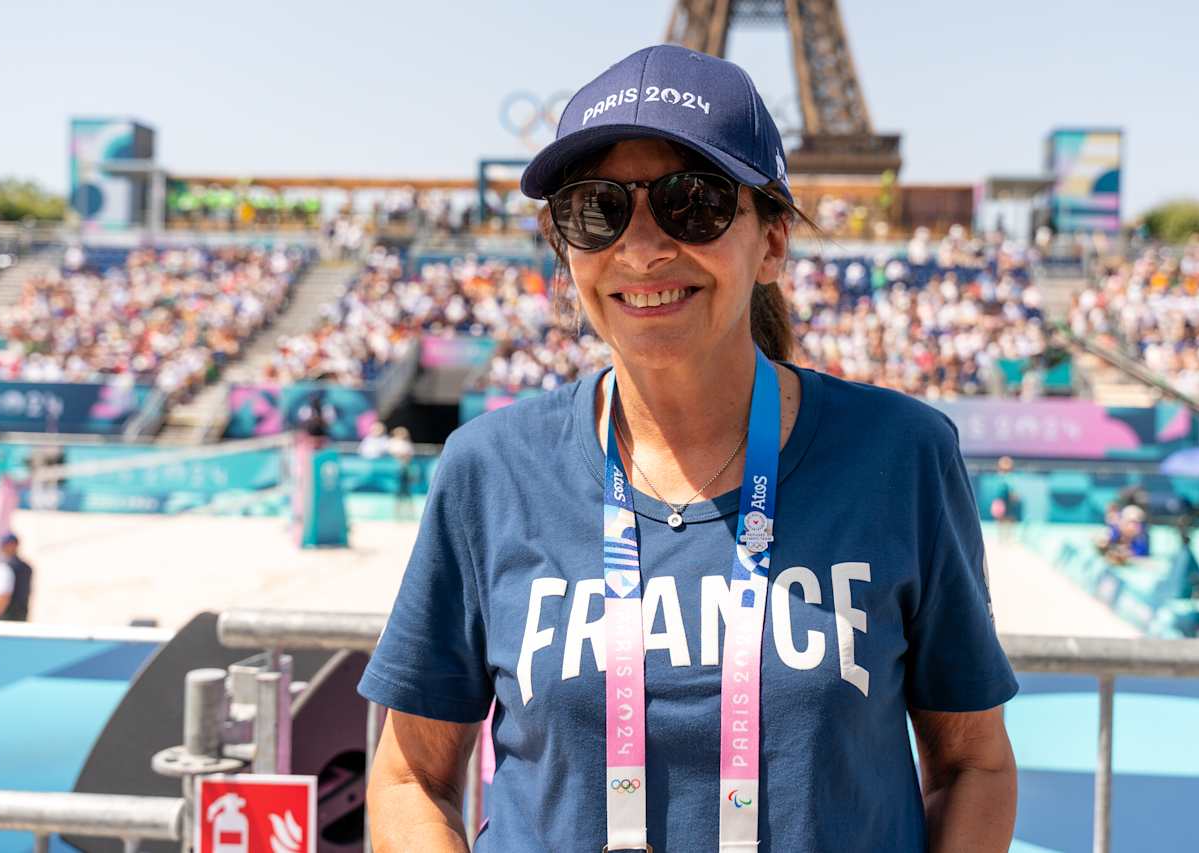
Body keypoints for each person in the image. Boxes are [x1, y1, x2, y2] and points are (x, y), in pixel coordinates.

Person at [359, 45, 1018, 852]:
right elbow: (408, 777)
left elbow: (972, 765)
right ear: (566, 248)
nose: (640, 250)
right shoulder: (488, 468)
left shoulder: (901, 455)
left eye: (693, 203)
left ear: (773, 241)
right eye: (596, 209)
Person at [0, 533, 34, 622]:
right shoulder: (26, 567)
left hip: (6, 618)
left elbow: (3, 596)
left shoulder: (4, 567)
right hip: (21, 617)